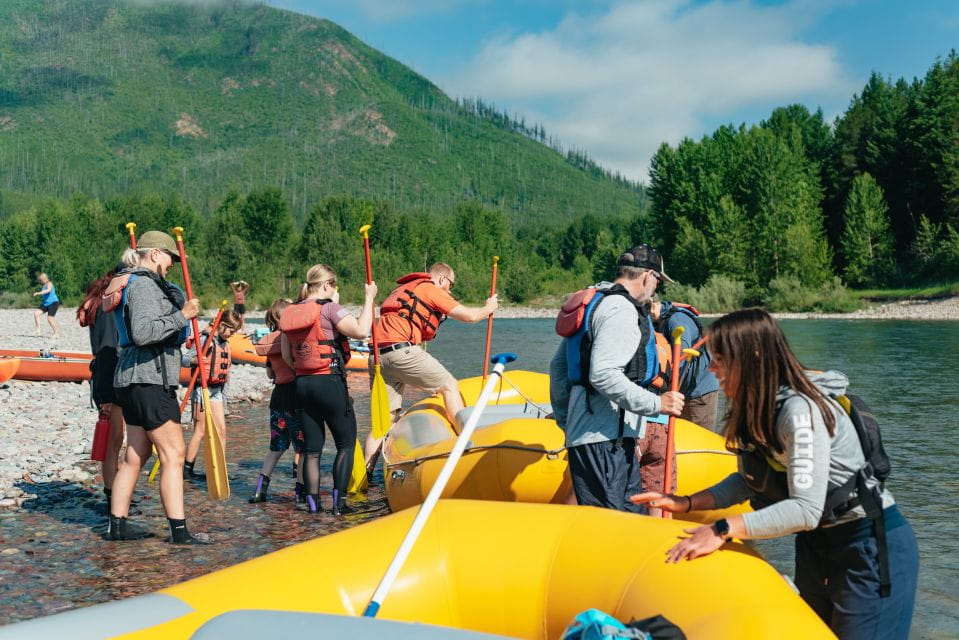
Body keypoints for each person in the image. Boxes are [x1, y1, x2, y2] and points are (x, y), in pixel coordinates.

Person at [631, 308, 919, 639]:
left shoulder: (799, 411)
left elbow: (805, 510)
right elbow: (748, 480)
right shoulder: (753, 405)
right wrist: (684, 503)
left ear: (753, 357)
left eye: (720, 359)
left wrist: (722, 529)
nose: (711, 368)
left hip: (868, 543)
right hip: (818, 545)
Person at [549, 244, 684, 512]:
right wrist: (658, 404)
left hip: (599, 438)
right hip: (606, 440)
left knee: (625, 521)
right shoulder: (621, 310)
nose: (656, 289)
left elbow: (558, 369)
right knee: (611, 526)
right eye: (657, 281)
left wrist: (569, 423)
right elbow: (603, 374)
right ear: (647, 276)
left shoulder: (597, 302)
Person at [105, 230, 209, 544]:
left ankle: (118, 527)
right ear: (154, 254)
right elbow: (143, 332)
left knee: (135, 456)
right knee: (174, 455)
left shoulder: (130, 282)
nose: (173, 264)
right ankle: (179, 533)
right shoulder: (145, 285)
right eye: (170, 258)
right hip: (149, 380)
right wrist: (182, 316)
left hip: (131, 379)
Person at [363, 263, 498, 463]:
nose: (449, 290)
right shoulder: (431, 288)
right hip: (402, 352)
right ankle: (467, 444)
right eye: (450, 285)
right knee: (450, 386)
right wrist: (489, 307)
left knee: (384, 421)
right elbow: (469, 316)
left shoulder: (402, 289)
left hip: (377, 357)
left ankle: (364, 479)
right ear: (442, 279)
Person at [279, 264, 376, 515]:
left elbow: (287, 356)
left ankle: (313, 506)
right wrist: (369, 299)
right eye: (334, 286)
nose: (335, 291)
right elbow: (362, 331)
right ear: (325, 286)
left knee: (312, 450)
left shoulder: (289, 312)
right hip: (329, 382)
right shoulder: (330, 308)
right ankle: (339, 506)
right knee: (345, 444)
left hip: (302, 385)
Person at [249, 299, 306, 504]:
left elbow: (270, 375)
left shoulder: (268, 342)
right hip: (296, 397)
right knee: (302, 448)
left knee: (276, 447)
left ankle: (259, 490)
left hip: (277, 399)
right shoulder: (291, 339)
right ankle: (300, 493)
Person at [77, 267, 126, 507]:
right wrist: (108, 392)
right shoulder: (109, 305)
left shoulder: (98, 300)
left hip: (104, 373)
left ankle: (115, 492)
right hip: (109, 374)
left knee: (116, 439)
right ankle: (112, 495)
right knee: (114, 441)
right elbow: (108, 348)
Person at [182, 310, 242, 478]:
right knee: (200, 431)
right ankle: (187, 470)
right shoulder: (204, 339)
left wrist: (226, 402)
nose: (232, 334)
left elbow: (226, 376)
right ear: (222, 325)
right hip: (202, 390)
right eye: (231, 331)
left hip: (217, 391)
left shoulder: (225, 343)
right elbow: (184, 359)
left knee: (221, 430)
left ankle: (218, 468)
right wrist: (196, 360)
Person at [649, 300, 719, 430]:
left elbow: (681, 355)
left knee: (698, 443)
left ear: (652, 307)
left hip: (699, 393)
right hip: (678, 393)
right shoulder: (655, 322)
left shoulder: (677, 321)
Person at [33, 272, 61, 338]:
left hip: (53, 303)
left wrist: (38, 293)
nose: (40, 282)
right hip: (46, 304)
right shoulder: (44, 285)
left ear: (43, 279)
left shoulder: (49, 283)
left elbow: (48, 290)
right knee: (36, 314)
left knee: (50, 318)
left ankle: (56, 333)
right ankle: (38, 330)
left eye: (40, 280)